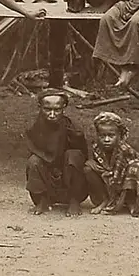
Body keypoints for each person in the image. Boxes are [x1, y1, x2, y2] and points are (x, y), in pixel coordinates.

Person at [25, 88, 90, 216]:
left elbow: (83, 158)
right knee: (34, 161)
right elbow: (35, 155)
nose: (52, 114)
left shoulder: (73, 130)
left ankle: (74, 201)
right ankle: (42, 200)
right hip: (47, 179)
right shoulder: (34, 130)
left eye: (57, 110)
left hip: (69, 177)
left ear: (63, 108)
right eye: (47, 109)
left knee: (74, 155)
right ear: (40, 107)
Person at [84, 111, 139, 218]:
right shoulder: (96, 148)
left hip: (123, 181)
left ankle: (131, 201)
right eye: (102, 136)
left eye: (111, 136)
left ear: (119, 135)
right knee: (88, 168)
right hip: (108, 181)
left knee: (135, 167)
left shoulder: (124, 149)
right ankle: (105, 200)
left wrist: (112, 172)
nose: (106, 139)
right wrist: (92, 164)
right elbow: (103, 167)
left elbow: (121, 171)